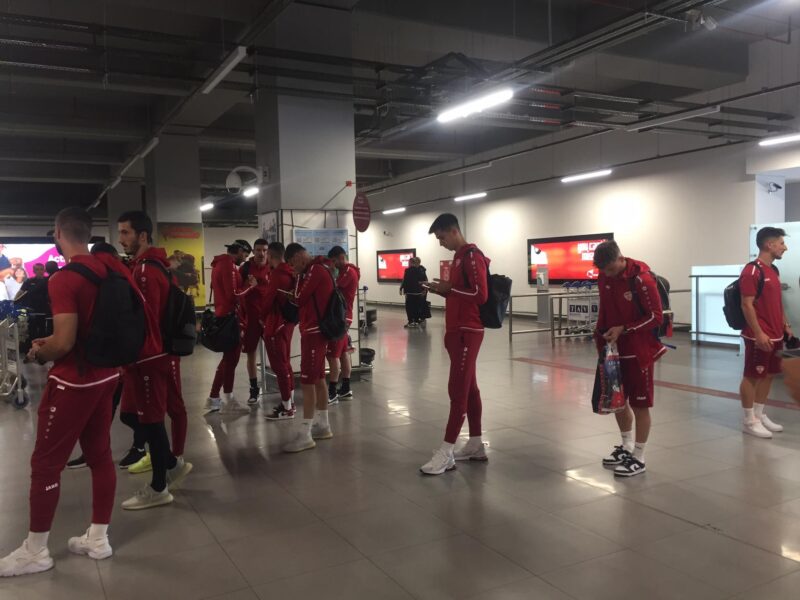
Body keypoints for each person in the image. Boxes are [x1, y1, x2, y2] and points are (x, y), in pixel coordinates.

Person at [0, 208, 120, 577]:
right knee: (100, 454)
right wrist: (55, 340)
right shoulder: (111, 268)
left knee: (45, 464)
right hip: (107, 374)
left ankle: (36, 551)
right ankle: (98, 538)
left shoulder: (65, 278)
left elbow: (65, 343)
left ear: (58, 234)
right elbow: (84, 328)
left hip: (74, 381)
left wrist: (39, 352)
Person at [117, 211, 192, 493]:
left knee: (155, 417)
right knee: (135, 415)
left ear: (143, 235)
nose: (121, 238)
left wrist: (135, 353)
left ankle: (161, 480)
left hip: (151, 356)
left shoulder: (147, 270)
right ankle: (169, 461)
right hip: (150, 355)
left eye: (125, 232)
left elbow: (145, 320)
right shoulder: (146, 266)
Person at [421, 214, 489, 475]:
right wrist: (443, 289)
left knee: (458, 389)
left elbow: (480, 295)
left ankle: (446, 451)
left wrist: (447, 289)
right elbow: (460, 292)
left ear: (453, 231)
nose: (441, 243)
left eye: (441, 237)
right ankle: (475, 444)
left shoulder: (471, 256)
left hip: (467, 331)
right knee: (469, 388)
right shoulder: (459, 257)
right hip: (457, 330)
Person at [593, 241, 666, 477]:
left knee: (640, 404)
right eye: (603, 271)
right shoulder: (604, 277)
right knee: (618, 400)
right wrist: (600, 337)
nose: (607, 274)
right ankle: (626, 446)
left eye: (611, 269)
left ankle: (639, 457)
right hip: (613, 350)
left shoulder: (642, 279)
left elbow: (656, 317)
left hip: (638, 351)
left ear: (621, 258)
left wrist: (625, 328)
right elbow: (605, 310)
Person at [282, 243, 335, 453]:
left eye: (292, 263)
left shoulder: (314, 270)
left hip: (314, 332)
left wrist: (297, 279)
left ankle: (305, 434)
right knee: (319, 378)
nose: (292, 267)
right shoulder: (318, 269)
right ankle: (323, 425)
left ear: (298, 257)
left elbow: (299, 298)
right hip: (315, 331)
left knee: (307, 381)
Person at [739, 227, 791, 438]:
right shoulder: (752, 271)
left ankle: (759, 414)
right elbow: (746, 304)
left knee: (769, 375)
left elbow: (776, 301)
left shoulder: (773, 270)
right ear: (770, 245)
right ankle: (749, 420)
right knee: (752, 376)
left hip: (776, 333)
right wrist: (758, 333)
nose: (785, 247)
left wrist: (785, 323)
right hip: (758, 335)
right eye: (781, 243)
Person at [205, 240, 255, 413]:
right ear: (239, 250)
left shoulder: (220, 264)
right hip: (231, 318)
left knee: (229, 360)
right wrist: (249, 286)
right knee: (230, 360)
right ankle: (224, 399)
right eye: (245, 255)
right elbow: (233, 295)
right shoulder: (228, 266)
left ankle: (217, 398)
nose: (245, 259)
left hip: (225, 316)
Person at [262, 242, 298, 420]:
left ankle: (286, 408)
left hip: (276, 325)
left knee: (279, 366)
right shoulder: (291, 272)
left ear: (270, 255)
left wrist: (261, 319)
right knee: (286, 363)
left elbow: (267, 302)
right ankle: (289, 402)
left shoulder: (277, 275)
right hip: (288, 324)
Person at [326, 246, 360, 404]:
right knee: (343, 353)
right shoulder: (346, 271)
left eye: (334, 261)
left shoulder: (348, 272)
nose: (333, 264)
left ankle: (332, 392)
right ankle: (345, 388)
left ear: (341, 257)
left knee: (333, 355)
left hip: (341, 319)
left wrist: (330, 273)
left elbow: (332, 288)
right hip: (342, 317)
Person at [240, 239, 270, 405]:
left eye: (264, 250)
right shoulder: (245, 268)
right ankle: (254, 389)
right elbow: (238, 291)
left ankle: (285, 389)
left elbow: (274, 292)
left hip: (268, 318)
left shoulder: (272, 268)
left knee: (275, 353)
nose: (261, 253)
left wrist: (257, 286)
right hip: (251, 319)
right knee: (251, 354)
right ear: (253, 251)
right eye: (258, 250)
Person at [400, 257, 428, 328]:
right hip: (418, 292)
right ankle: (416, 321)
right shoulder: (420, 270)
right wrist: (424, 289)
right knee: (416, 307)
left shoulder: (407, 270)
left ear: (411, 263)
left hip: (409, 292)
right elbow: (424, 280)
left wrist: (402, 288)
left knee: (409, 307)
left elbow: (405, 280)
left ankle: (411, 321)